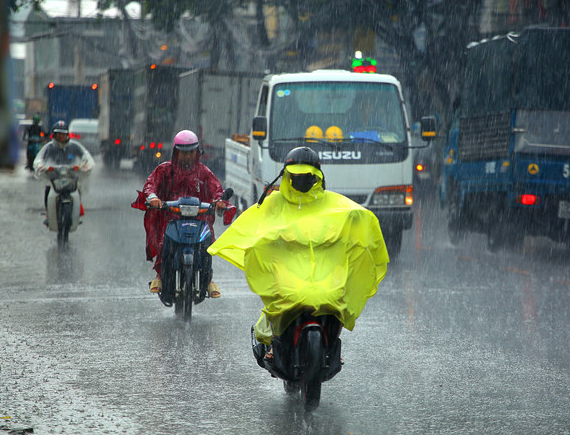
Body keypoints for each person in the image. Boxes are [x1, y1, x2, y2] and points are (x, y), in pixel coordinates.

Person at [208, 146, 388, 357]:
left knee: (337, 299)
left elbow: (356, 218)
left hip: (325, 273)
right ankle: (276, 343)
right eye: (296, 176)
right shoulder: (273, 204)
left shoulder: (335, 204)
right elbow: (252, 227)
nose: (302, 181)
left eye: (307, 176)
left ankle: (333, 345)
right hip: (286, 272)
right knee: (280, 299)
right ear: (287, 177)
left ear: (317, 177)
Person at [132, 130, 227, 296]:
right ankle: (160, 275)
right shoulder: (164, 170)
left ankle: (208, 279)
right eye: (183, 153)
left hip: (199, 216)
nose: (187, 157)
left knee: (207, 242)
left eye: (191, 152)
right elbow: (150, 185)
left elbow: (216, 189)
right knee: (163, 241)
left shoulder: (204, 172)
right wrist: (154, 198)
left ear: (196, 152)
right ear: (176, 152)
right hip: (170, 216)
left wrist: (219, 200)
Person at [33, 120, 94, 223]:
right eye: (59, 134)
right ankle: (49, 214)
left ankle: (76, 213)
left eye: (63, 134)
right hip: (55, 177)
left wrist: (85, 165)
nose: (61, 137)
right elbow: (39, 159)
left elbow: (86, 156)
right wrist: (41, 166)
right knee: (48, 190)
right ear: (54, 135)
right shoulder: (49, 148)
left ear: (67, 135)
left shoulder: (74, 147)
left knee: (77, 190)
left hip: (71, 177)